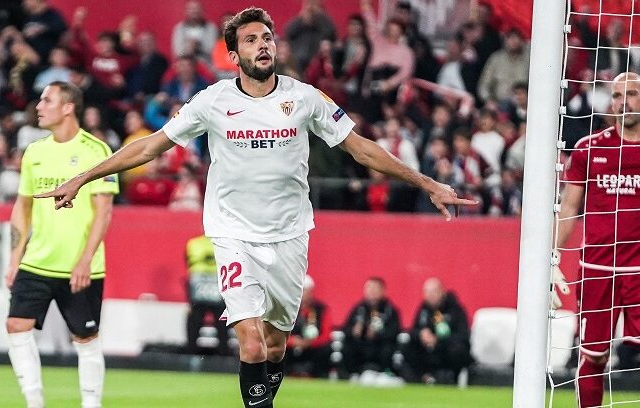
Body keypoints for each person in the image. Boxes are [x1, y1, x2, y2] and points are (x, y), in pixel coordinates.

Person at [35, 8, 474, 408]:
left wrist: (427, 182)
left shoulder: (306, 99)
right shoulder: (212, 101)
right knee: (249, 342)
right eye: (251, 40)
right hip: (233, 233)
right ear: (233, 54)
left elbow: (362, 150)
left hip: (289, 234)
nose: (263, 44)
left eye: (267, 37)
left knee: (275, 346)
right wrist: (83, 176)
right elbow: (150, 146)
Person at [5, 81, 118, 408]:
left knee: (85, 338)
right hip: (37, 261)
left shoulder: (96, 151)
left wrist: (85, 260)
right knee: (16, 325)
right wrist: (15, 258)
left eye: (47, 100)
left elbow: (104, 212)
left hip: (80, 267)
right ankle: (34, 401)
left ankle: (91, 404)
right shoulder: (35, 153)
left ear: (68, 107)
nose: (38, 106)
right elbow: (22, 207)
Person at [553, 72, 640, 407]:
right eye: (617, 96)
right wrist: (553, 257)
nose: (624, 102)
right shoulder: (590, 148)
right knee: (594, 357)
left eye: (631, 94)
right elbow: (570, 207)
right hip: (597, 268)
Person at [402, 278, 471, 384]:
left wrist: (438, 340)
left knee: (458, 351)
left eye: (434, 291)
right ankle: (423, 377)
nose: (430, 295)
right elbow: (413, 330)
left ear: (442, 291)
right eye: (427, 292)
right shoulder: (423, 309)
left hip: (446, 350)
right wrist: (421, 334)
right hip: (427, 350)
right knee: (406, 346)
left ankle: (451, 378)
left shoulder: (456, 309)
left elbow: (463, 336)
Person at [341, 276, 402, 381]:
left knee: (388, 349)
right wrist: (354, 331)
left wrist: (378, 334)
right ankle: (352, 374)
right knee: (347, 347)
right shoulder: (359, 308)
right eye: (369, 288)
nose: (372, 292)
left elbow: (395, 332)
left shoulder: (391, 310)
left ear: (382, 291)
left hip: (380, 345)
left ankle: (384, 374)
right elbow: (345, 329)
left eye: (375, 289)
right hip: (361, 344)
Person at [185, 234, 228, 355]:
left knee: (194, 323)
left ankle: (190, 355)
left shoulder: (194, 243)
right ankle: (224, 356)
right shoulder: (224, 243)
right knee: (222, 325)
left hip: (198, 288)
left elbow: (189, 264)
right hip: (218, 288)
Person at [284, 275, 333, 378]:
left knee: (326, 349)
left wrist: (310, 343)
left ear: (311, 292)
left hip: (314, 348)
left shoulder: (322, 309)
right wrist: (292, 341)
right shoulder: (286, 308)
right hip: (291, 345)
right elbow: (277, 331)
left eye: (304, 290)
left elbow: (326, 334)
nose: (301, 293)